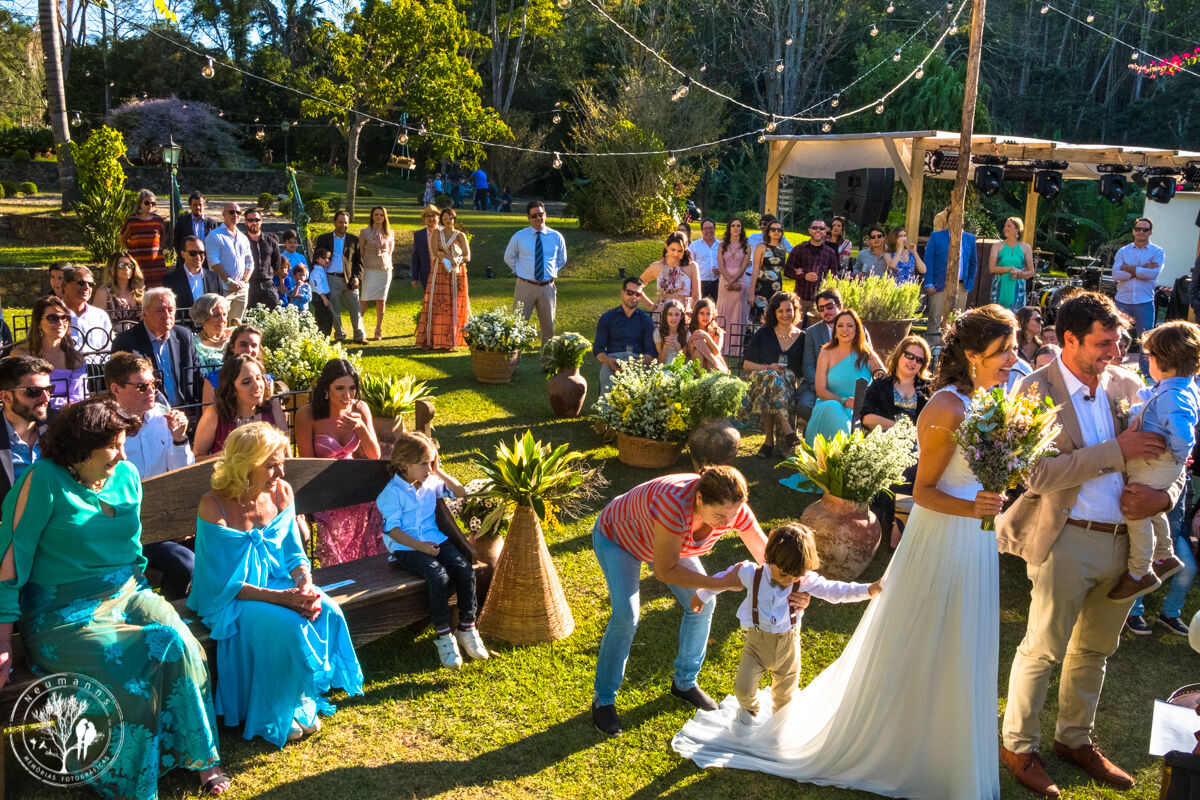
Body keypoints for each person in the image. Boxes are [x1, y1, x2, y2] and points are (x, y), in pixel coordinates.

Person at [674, 305, 1019, 800]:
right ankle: (906, 744)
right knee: (929, 630)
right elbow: (922, 491)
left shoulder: (988, 398)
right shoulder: (947, 407)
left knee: (962, 634)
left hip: (974, 537)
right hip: (946, 536)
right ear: (972, 354)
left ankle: (947, 742)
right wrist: (975, 506)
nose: (1012, 357)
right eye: (1003, 350)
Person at [998, 291, 1184, 798]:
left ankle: (1074, 740)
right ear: (1069, 340)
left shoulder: (1129, 384)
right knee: (1042, 650)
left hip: (1127, 546)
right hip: (1066, 540)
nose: (1115, 350)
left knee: (1096, 651)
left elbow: (1172, 459)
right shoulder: (1034, 391)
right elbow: (1033, 475)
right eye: (1104, 342)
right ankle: (1018, 745)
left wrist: (1163, 499)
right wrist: (1114, 451)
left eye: (1119, 339)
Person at [0, 396, 229, 797]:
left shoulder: (124, 475)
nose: (123, 453)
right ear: (79, 445)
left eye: (124, 442)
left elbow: (133, 547)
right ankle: (128, 778)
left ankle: (203, 759)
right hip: (64, 611)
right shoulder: (42, 481)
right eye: (114, 444)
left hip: (128, 590)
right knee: (136, 659)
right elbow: (9, 566)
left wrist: (145, 596)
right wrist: (3, 642)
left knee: (184, 645)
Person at [190, 422, 364, 747]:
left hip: (280, 584)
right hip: (231, 597)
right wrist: (283, 599)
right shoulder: (213, 505)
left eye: (281, 461)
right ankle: (276, 709)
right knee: (287, 625)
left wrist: (305, 585)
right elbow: (222, 582)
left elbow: (294, 553)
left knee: (328, 609)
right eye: (271, 465)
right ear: (245, 465)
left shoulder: (281, 491)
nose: (280, 471)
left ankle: (298, 697)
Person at [590, 466, 771, 736]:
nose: (726, 522)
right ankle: (603, 698)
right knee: (626, 615)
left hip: (664, 542)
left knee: (704, 603)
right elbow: (665, 570)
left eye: (732, 515)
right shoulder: (674, 504)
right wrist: (720, 583)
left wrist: (793, 584)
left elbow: (765, 554)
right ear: (699, 499)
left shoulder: (733, 510)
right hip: (619, 538)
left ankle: (685, 683)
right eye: (719, 515)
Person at [690, 524, 881, 726]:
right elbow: (723, 578)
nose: (789, 580)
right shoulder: (750, 573)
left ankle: (778, 729)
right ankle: (750, 710)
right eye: (783, 575)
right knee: (743, 689)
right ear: (770, 560)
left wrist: (868, 589)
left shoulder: (804, 580)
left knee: (784, 698)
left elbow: (834, 590)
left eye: (795, 575)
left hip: (788, 646)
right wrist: (702, 595)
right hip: (756, 644)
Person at [376, 430, 488, 669]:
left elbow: (460, 492)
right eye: (423, 464)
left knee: (464, 569)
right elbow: (392, 531)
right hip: (407, 546)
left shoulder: (430, 482)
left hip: (434, 539)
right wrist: (421, 548)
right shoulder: (391, 494)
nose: (428, 469)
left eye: (430, 462)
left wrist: (438, 471)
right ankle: (444, 635)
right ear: (404, 464)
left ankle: (467, 627)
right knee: (438, 575)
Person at [1106, 321, 1200, 601]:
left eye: (1150, 358)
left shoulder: (1175, 395)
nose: (1148, 364)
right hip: (1159, 462)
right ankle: (1165, 554)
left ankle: (1140, 571)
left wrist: (1179, 453)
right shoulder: (1175, 388)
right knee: (1152, 510)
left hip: (1157, 462)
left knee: (1135, 508)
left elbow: (1183, 430)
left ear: (1163, 361)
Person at [104, 352, 196, 600]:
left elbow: (181, 474)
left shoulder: (162, 419)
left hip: (168, 519)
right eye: (142, 386)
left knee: (219, 548)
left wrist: (179, 439)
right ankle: (171, 619)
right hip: (128, 526)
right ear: (116, 388)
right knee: (186, 564)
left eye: (153, 384)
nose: (151, 391)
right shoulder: (105, 428)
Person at [296, 359, 385, 566]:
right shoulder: (307, 415)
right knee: (336, 519)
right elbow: (307, 464)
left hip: (354, 480)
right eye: (340, 389)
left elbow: (375, 456)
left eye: (352, 389)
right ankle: (341, 570)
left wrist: (361, 428)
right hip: (322, 484)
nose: (347, 396)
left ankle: (370, 568)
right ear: (326, 389)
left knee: (376, 507)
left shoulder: (360, 408)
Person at [861, 335, 933, 545]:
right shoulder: (881, 385)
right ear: (899, 355)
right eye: (909, 355)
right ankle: (891, 525)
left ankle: (898, 526)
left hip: (919, 443)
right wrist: (899, 428)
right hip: (886, 439)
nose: (912, 362)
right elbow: (866, 418)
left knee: (913, 460)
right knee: (908, 462)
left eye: (919, 359)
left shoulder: (927, 389)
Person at [738, 291, 805, 459]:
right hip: (760, 377)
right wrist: (769, 367)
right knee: (770, 376)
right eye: (780, 311)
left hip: (787, 383)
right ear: (774, 313)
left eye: (789, 310)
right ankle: (788, 430)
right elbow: (746, 365)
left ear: (795, 311)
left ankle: (768, 441)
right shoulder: (763, 333)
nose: (785, 314)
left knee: (772, 384)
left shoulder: (803, 337)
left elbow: (803, 370)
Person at [805, 309, 885, 446]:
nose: (844, 330)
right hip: (828, 405)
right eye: (840, 325)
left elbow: (884, 381)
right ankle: (838, 455)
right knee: (832, 407)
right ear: (835, 330)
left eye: (850, 326)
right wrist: (843, 401)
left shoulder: (867, 353)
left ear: (857, 330)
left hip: (859, 410)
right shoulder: (825, 353)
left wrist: (876, 378)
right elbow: (820, 390)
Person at [113, 287, 200, 411]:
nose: (167, 315)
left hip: (186, 411)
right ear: (145, 312)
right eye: (160, 310)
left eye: (170, 310)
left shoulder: (183, 336)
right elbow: (123, 388)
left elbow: (197, 373)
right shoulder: (126, 342)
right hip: (148, 414)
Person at [193, 354, 287, 457]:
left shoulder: (273, 406)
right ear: (232, 389)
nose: (257, 386)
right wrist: (226, 456)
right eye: (246, 382)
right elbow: (196, 460)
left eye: (258, 378)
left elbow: (286, 454)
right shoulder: (214, 413)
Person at [504, 201, 567, 346]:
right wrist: (520, 271)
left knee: (548, 328)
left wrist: (550, 272)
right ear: (528, 217)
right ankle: (513, 362)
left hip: (547, 287)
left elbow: (562, 259)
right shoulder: (519, 236)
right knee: (518, 326)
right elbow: (509, 257)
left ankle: (547, 363)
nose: (538, 218)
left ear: (546, 215)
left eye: (541, 215)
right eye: (534, 216)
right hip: (525, 286)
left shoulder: (556, 237)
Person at [12, 296, 88, 410]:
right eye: (52, 318)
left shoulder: (75, 359)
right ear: (38, 322)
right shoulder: (22, 355)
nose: (60, 323)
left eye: (65, 318)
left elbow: (78, 398)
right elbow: (23, 396)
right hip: (32, 417)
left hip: (68, 418)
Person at [1112, 217, 1164, 374]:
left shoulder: (1157, 251)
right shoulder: (1123, 251)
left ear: (1151, 232)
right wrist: (1142, 269)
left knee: (1146, 339)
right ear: (1134, 231)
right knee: (1115, 335)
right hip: (1122, 300)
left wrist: (1128, 269)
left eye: (1145, 230)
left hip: (1144, 301)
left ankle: (1146, 373)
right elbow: (1115, 274)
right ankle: (1113, 368)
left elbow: (1153, 274)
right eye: (1139, 229)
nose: (1141, 232)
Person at [417, 207, 472, 350]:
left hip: (456, 273)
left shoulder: (460, 235)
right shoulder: (437, 233)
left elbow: (468, 256)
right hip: (439, 271)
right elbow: (436, 252)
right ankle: (432, 339)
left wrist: (457, 259)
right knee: (437, 303)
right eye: (445, 219)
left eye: (450, 218)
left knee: (455, 303)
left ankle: (453, 339)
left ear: (454, 219)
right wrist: (447, 257)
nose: (448, 221)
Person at [0, 355, 51, 505]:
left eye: (48, 389)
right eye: (33, 391)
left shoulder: (60, 428)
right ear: (6, 397)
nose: (45, 398)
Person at [594, 277, 656, 396]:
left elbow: (651, 352)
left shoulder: (646, 321)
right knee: (607, 376)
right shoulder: (607, 318)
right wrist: (609, 361)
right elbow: (598, 349)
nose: (633, 297)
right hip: (612, 359)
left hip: (637, 361)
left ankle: (634, 413)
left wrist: (636, 363)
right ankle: (607, 413)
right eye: (630, 292)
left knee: (638, 390)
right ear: (622, 292)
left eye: (638, 294)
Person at [315, 211, 366, 344]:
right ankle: (339, 335)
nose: (343, 225)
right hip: (331, 278)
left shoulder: (353, 240)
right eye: (340, 222)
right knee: (334, 308)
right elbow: (316, 259)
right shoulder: (323, 239)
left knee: (356, 308)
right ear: (334, 222)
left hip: (349, 279)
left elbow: (358, 262)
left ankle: (359, 335)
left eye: (345, 222)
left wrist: (356, 277)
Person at [922, 224, 978, 343]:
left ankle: (952, 346)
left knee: (958, 319)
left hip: (961, 285)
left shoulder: (970, 238)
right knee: (935, 317)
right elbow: (929, 259)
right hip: (939, 285)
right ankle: (931, 349)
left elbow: (973, 262)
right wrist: (929, 282)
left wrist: (970, 281)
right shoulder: (937, 236)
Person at [796, 288, 842, 421]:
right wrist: (820, 388)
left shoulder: (856, 328)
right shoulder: (812, 332)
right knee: (804, 405)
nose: (826, 312)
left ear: (839, 306)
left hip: (846, 384)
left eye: (829, 306)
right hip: (819, 383)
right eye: (821, 308)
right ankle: (817, 427)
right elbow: (808, 366)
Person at [783, 219, 839, 324]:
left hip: (820, 301)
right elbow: (787, 270)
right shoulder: (799, 249)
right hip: (800, 298)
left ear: (825, 231)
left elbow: (834, 276)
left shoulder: (830, 252)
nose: (818, 230)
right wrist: (803, 276)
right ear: (810, 230)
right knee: (795, 330)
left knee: (817, 333)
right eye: (815, 228)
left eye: (821, 228)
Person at [205, 203, 253, 321]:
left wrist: (244, 281)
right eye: (231, 212)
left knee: (236, 326)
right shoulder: (214, 235)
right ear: (223, 214)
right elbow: (213, 261)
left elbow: (250, 262)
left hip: (242, 290)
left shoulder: (243, 237)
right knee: (220, 324)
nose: (235, 215)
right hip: (223, 289)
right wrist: (229, 281)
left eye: (238, 212)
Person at [62, 264, 113, 364]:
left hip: (96, 373)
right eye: (81, 283)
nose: (86, 287)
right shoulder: (53, 314)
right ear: (65, 285)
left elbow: (109, 349)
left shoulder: (100, 316)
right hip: (64, 373)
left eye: (90, 284)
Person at [715, 218, 751, 355]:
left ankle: (735, 349)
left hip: (740, 283)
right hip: (724, 283)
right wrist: (729, 282)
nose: (736, 228)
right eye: (733, 226)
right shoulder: (722, 245)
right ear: (729, 228)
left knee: (737, 315)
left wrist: (734, 281)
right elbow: (720, 265)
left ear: (741, 229)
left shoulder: (747, 247)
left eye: (738, 226)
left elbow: (744, 266)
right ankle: (721, 346)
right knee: (723, 313)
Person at [359, 205, 395, 341]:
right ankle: (359, 329)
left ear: (384, 217)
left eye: (381, 215)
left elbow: (390, 252)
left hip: (384, 270)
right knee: (364, 300)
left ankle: (378, 329)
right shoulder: (364, 232)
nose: (379, 217)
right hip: (368, 268)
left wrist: (387, 265)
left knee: (381, 300)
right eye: (376, 214)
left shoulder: (390, 233)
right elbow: (361, 251)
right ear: (372, 216)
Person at [640, 232, 701, 312]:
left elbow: (696, 296)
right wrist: (649, 305)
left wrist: (691, 312)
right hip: (662, 313)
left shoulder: (692, 267)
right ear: (666, 246)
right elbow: (636, 285)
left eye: (680, 251)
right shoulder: (657, 266)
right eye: (673, 249)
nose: (675, 254)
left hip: (684, 314)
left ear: (685, 249)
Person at [120, 188, 168, 286]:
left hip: (156, 266)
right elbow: (122, 239)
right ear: (140, 203)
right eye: (147, 203)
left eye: (153, 203)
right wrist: (132, 249)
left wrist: (157, 250)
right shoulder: (131, 220)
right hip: (137, 263)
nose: (150, 205)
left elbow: (162, 238)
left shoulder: (158, 220)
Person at [988, 216, 1035, 311]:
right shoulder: (997, 246)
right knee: (997, 317)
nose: (1005, 228)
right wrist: (1011, 268)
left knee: (1015, 318)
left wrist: (1019, 275)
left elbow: (1031, 272)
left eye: (1009, 226)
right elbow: (991, 269)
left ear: (1017, 230)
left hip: (1017, 290)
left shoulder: (1026, 247)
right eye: (1005, 226)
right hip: (999, 288)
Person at [166, 235, 223, 313]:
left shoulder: (214, 278)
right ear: (183, 254)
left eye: (201, 253)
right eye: (193, 253)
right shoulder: (171, 280)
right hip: (183, 324)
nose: (198, 257)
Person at [95, 250, 146, 333]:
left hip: (139, 338)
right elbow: (96, 322)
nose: (126, 268)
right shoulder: (103, 292)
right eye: (121, 265)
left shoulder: (140, 292)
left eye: (130, 265)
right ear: (113, 268)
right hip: (114, 340)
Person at [243, 207, 282, 311]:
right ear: (246, 222)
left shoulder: (271, 242)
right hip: (248, 285)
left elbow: (276, 264)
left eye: (257, 220)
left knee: (270, 318)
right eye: (250, 220)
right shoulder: (240, 241)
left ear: (261, 221)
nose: (254, 223)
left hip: (268, 284)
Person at [748, 221, 787, 325]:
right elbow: (755, 269)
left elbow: (782, 267)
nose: (776, 232)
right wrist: (751, 293)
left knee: (774, 315)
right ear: (768, 232)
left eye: (779, 230)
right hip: (762, 287)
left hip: (776, 286)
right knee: (759, 317)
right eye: (773, 229)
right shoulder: (761, 247)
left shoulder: (783, 248)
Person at [191, 293, 233, 380]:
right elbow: (203, 377)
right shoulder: (195, 344)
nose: (223, 320)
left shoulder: (237, 335)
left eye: (224, 315)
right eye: (217, 315)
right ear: (202, 318)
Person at [687, 298, 729, 373]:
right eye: (702, 313)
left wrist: (705, 336)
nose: (705, 317)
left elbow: (716, 352)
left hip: (713, 364)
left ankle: (703, 377)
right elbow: (686, 351)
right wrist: (695, 335)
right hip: (692, 361)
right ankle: (700, 377)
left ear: (713, 315)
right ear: (696, 314)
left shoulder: (717, 331)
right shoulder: (689, 329)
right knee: (698, 343)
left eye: (708, 314)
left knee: (699, 342)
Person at [173, 190, 218, 259]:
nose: (198, 207)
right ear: (190, 206)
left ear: (204, 206)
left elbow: (215, 244)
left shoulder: (212, 224)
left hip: (207, 263)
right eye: (195, 205)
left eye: (200, 205)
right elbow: (177, 243)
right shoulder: (182, 222)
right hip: (188, 262)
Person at [411, 204, 441, 292]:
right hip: (427, 273)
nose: (431, 218)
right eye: (428, 216)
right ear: (424, 219)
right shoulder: (419, 235)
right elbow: (415, 257)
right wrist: (414, 277)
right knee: (429, 300)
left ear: (438, 217)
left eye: (433, 215)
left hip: (445, 272)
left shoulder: (445, 232)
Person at [690, 219, 721, 300]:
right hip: (700, 284)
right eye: (706, 228)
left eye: (711, 228)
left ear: (714, 229)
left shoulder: (720, 245)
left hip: (717, 283)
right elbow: (689, 265)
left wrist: (721, 270)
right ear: (702, 230)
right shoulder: (694, 246)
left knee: (716, 309)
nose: (709, 231)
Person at [308, 247, 335, 337]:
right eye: (324, 258)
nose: (327, 260)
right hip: (319, 297)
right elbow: (317, 286)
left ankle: (325, 336)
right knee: (323, 318)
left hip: (325, 295)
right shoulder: (316, 272)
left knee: (328, 317)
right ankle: (322, 336)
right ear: (317, 259)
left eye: (328, 258)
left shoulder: (323, 270)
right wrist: (324, 299)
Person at [655, 299, 688, 364]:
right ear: (665, 316)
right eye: (670, 314)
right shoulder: (658, 332)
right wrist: (665, 348)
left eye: (677, 314)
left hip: (680, 367)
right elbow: (660, 362)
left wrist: (678, 348)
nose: (673, 318)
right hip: (664, 367)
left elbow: (685, 361)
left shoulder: (686, 333)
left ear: (681, 317)